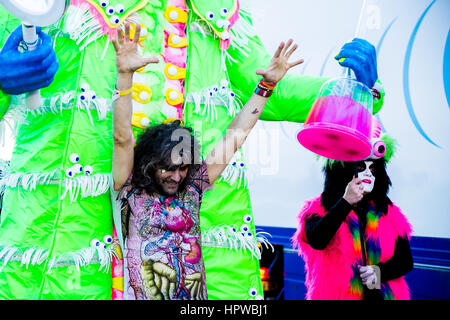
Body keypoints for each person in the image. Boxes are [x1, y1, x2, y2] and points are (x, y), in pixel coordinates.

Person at [0, 1, 383, 299]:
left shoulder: (215, 13)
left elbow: (262, 97)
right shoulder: (43, 6)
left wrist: (350, 91)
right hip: (64, 241)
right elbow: (128, 139)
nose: (174, 173)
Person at [111, 23, 303, 300]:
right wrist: (125, 77)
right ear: (150, 163)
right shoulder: (128, 188)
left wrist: (267, 85)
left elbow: (235, 137)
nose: (176, 176)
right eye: (168, 168)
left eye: (183, 168)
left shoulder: (192, 189)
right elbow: (121, 137)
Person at [292, 139, 413, 300]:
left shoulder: (387, 210)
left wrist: (379, 273)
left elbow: (406, 261)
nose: (369, 173)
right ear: (343, 172)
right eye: (361, 167)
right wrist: (345, 202)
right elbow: (317, 240)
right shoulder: (318, 208)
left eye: (373, 168)